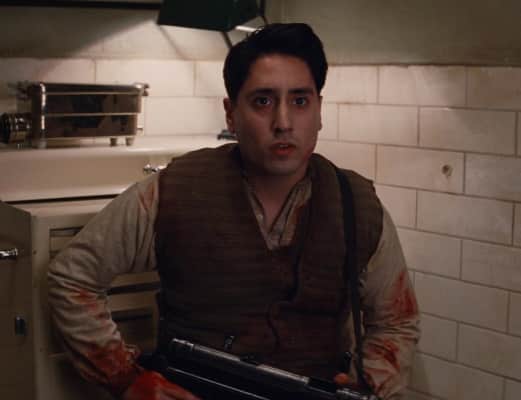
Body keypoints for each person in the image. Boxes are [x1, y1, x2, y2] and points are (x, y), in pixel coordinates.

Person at [48, 23, 419, 400]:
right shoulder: (176, 191)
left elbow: (396, 322)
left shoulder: (357, 204)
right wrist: (126, 379)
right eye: (263, 101)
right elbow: (72, 277)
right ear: (231, 113)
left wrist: (370, 382)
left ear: (319, 110)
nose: (283, 123)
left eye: (300, 101)